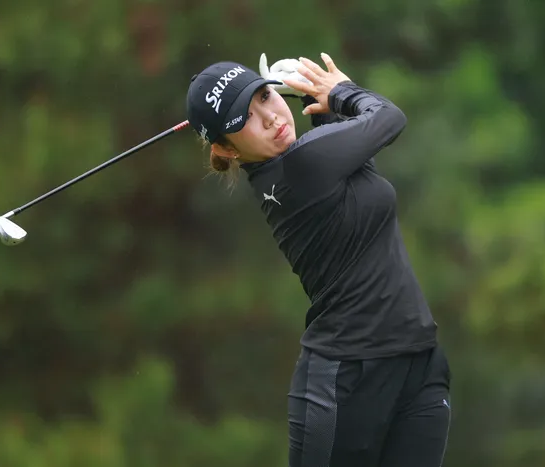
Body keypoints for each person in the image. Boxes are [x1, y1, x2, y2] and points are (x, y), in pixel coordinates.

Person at [185, 52, 452, 467]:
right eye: (246, 119)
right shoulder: (302, 163)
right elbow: (389, 118)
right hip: (347, 381)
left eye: (265, 97)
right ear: (226, 149)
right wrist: (340, 92)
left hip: (418, 362)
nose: (271, 117)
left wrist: (322, 108)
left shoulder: (302, 163)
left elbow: (354, 163)